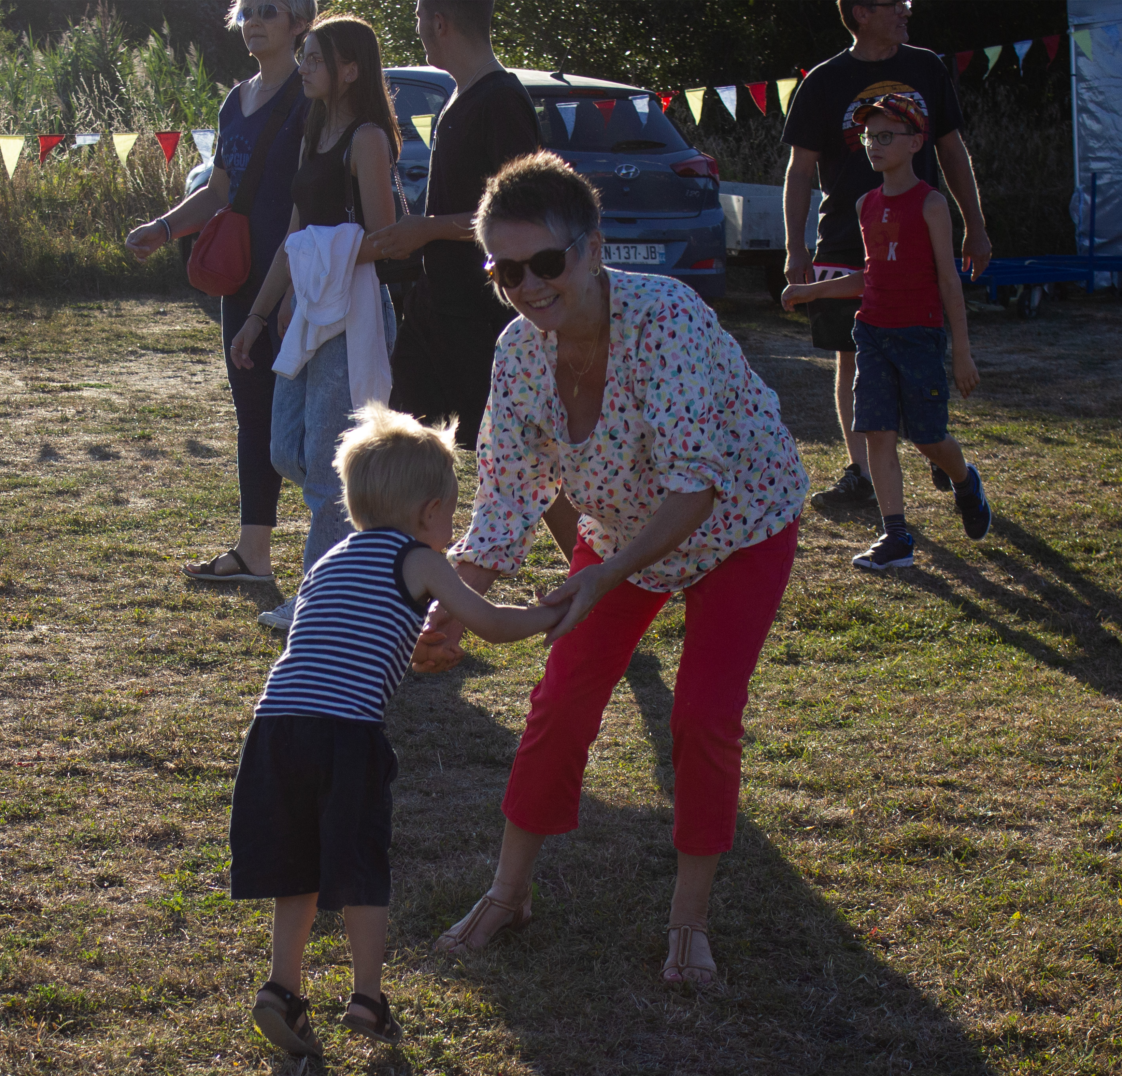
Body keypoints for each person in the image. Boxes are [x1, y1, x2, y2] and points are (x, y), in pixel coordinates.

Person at [415, 153, 807, 987]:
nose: (527, 284)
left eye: (546, 262)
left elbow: (694, 489)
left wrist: (601, 575)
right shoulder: (519, 354)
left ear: (592, 250)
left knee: (702, 712)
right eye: (505, 268)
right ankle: (507, 893)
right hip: (628, 529)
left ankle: (689, 920)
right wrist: (454, 599)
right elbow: (507, 495)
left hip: (739, 522)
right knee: (561, 698)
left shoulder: (665, 317)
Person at [235, 403, 561, 1056]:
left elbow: (340, 639)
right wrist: (548, 614)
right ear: (428, 513)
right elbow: (491, 621)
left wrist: (410, 646)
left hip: (275, 728)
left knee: (297, 867)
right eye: (452, 510)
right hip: (345, 734)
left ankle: (283, 988)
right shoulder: (420, 559)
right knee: (360, 868)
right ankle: (367, 998)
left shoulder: (328, 563)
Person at [127, 0, 315, 587]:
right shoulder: (235, 100)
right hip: (241, 280)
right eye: (247, 12)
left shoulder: (313, 96)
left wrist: (293, 288)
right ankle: (253, 553)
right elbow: (221, 191)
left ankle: (341, 558)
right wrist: (163, 228)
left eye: (270, 11)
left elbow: (319, 196)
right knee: (254, 412)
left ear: (301, 24)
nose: (254, 21)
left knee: (317, 417)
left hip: (300, 280)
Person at [781, 0, 990, 512]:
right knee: (850, 356)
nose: (906, 11)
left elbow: (952, 152)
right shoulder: (824, 81)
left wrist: (976, 226)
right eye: (894, 5)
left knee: (916, 349)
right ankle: (863, 475)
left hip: (915, 229)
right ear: (861, 12)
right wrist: (795, 247)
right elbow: (800, 172)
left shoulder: (926, 67)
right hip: (845, 236)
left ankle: (938, 451)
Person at [230, 14, 401, 631]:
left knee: (330, 462)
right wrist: (254, 317)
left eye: (315, 58)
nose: (302, 67)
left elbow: (389, 240)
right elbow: (293, 235)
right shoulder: (313, 128)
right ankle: (373, 529)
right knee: (286, 447)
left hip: (353, 311)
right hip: (309, 308)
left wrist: (328, 253)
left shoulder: (367, 139)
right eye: (303, 57)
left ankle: (318, 601)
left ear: (349, 70)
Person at [363, 0, 537, 457]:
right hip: (436, 309)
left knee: (509, 456)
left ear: (439, 23)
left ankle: (578, 532)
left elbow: (519, 217)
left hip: (483, 318)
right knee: (400, 443)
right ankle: (411, 531)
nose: (416, 27)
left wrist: (428, 229)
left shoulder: (501, 100)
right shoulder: (462, 95)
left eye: (419, 17)